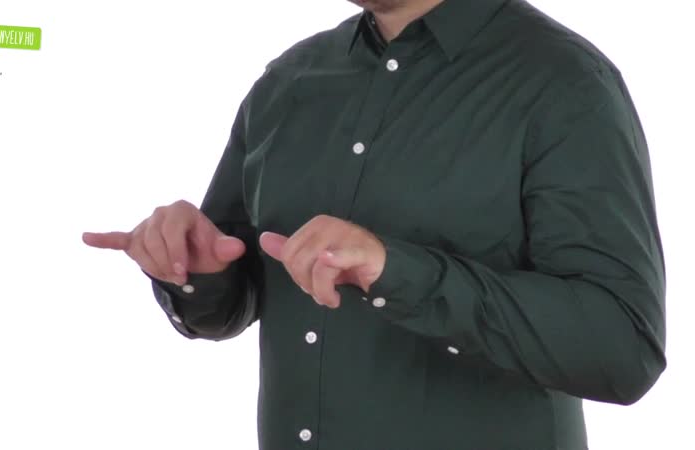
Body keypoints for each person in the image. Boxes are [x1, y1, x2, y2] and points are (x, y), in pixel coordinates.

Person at [82, 0, 667, 448]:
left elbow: (622, 351)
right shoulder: (289, 81)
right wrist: (195, 269)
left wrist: (399, 272)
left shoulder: (564, 83)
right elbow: (233, 302)